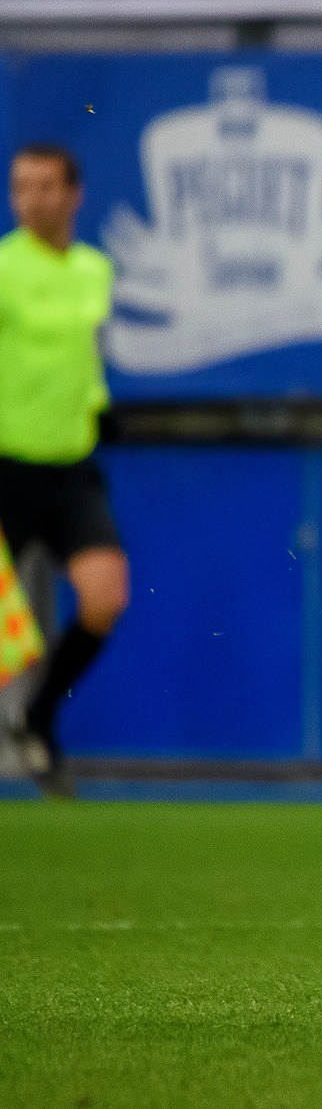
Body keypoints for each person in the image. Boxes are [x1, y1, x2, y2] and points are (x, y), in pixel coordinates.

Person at [0, 143, 128, 798]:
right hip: (5, 468)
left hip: (70, 466)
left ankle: (38, 713)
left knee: (106, 598)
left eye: (47, 186)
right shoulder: (2, 269)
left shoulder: (94, 270)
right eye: (22, 187)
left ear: (74, 195)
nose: (32, 199)